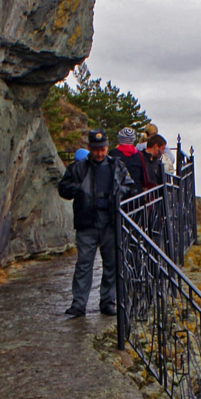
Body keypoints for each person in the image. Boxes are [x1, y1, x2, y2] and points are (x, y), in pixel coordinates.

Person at [57, 129, 135, 318]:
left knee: (112, 263)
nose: (99, 153)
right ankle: (78, 304)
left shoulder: (117, 166)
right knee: (84, 264)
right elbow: (63, 188)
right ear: (89, 148)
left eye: (102, 149)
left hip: (110, 221)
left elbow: (131, 188)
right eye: (96, 149)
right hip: (87, 221)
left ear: (107, 147)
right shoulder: (78, 168)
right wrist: (80, 189)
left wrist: (119, 192)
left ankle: (108, 302)